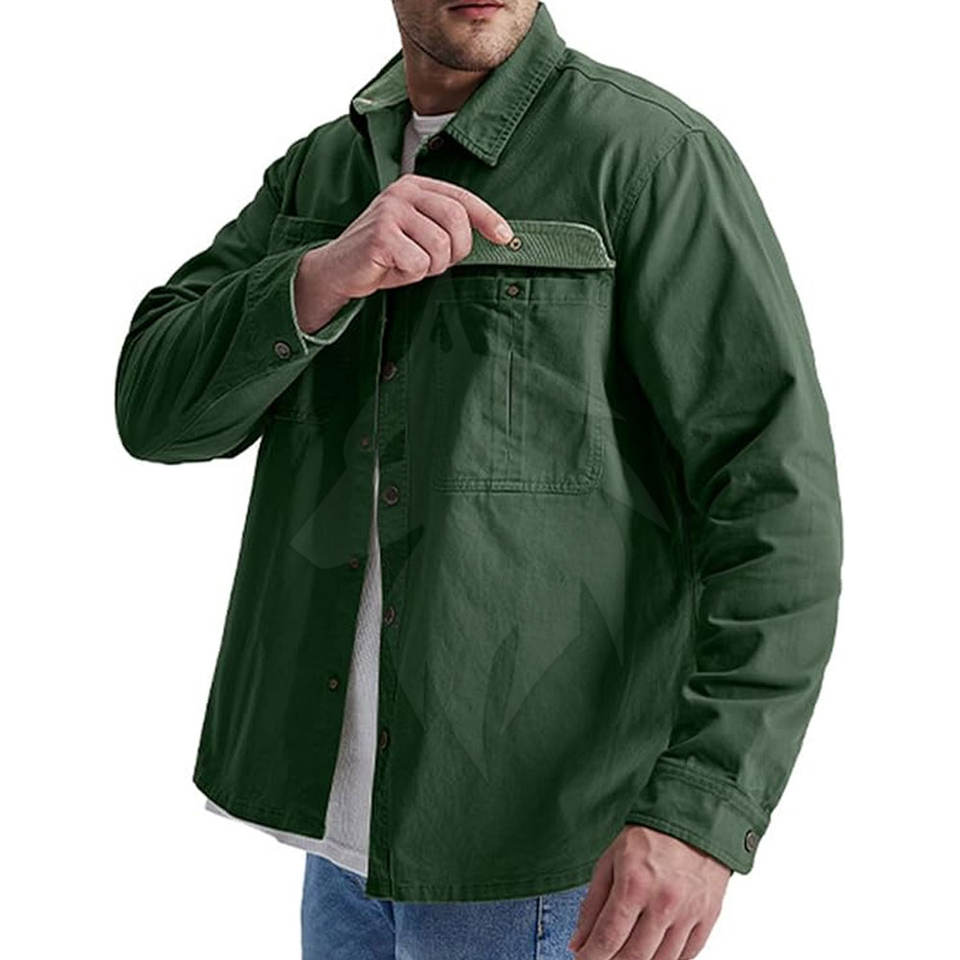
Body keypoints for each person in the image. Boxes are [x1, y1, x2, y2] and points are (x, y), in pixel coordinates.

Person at [114, 1, 844, 957]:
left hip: (541, 854)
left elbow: (775, 497)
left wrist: (703, 811)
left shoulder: (649, 155)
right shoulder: (322, 170)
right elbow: (155, 412)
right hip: (341, 850)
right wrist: (321, 276)